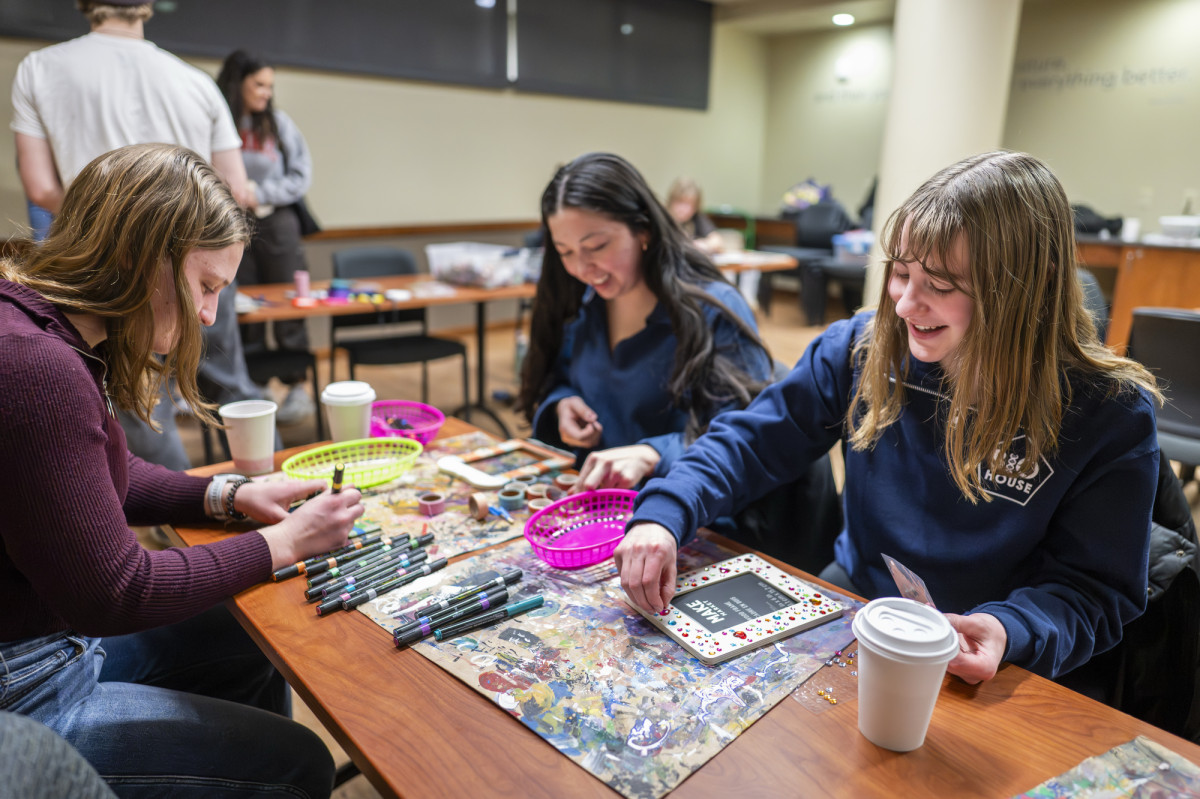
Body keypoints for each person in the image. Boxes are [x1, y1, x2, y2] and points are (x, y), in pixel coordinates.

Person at [616, 150, 1161, 686]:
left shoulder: (1108, 411)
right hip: (863, 596)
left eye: (941, 285)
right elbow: (751, 443)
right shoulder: (859, 348)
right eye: (900, 274)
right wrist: (666, 512)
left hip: (999, 650)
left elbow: (1093, 589)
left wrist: (1009, 627)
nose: (904, 305)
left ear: (1024, 289)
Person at [0, 143, 364, 798]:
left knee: (250, 634)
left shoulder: (37, 324)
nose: (207, 315)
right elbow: (114, 591)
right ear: (142, 258)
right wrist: (285, 541)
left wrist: (230, 493)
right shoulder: (38, 369)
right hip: (26, 698)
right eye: (205, 286)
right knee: (300, 762)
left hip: (51, 646)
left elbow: (90, 476)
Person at [10, 0, 262, 469]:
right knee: (229, 393)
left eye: (211, 294)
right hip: (193, 261)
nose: (203, 315)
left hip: (115, 265)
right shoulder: (194, 81)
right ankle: (241, 492)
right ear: (148, 6)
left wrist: (119, 224)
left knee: (144, 422)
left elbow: (42, 186)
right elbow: (236, 187)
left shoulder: (41, 69)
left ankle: (207, 509)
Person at [518, 153, 771, 494]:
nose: (581, 268)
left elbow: (748, 439)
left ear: (644, 230)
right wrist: (563, 403)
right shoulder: (583, 304)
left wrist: (654, 454)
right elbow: (560, 377)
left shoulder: (713, 311)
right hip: (598, 508)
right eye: (565, 252)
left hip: (687, 514)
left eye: (596, 246)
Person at [217, 50, 317, 426]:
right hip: (231, 225)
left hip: (277, 222)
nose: (265, 93)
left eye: (269, 86)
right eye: (258, 84)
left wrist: (260, 193)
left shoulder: (279, 124)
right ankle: (256, 387)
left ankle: (297, 388)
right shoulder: (222, 122)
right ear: (237, 83)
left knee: (290, 303)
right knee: (246, 306)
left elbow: (300, 176)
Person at [665, 178, 724, 254]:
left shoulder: (696, 218)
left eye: (690, 205)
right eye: (681, 202)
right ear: (671, 201)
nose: (685, 209)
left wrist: (703, 245)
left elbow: (717, 241)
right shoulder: (663, 218)